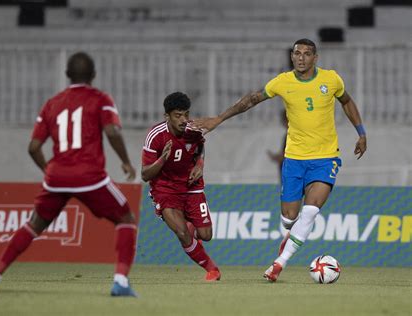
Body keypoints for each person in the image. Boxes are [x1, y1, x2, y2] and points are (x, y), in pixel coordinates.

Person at [191, 39, 367, 282]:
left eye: (307, 53)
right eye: (297, 53)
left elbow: (346, 101)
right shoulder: (282, 82)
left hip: (326, 158)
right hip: (294, 159)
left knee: (311, 211)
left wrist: (361, 132)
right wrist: (218, 119)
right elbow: (251, 100)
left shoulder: (331, 79)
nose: (302, 57)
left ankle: (278, 265)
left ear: (315, 57)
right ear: (292, 57)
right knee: (289, 219)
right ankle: (290, 233)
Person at [0, 52, 139, 297]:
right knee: (126, 218)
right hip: (89, 177)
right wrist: (126, 161)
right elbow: (112, 132)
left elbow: (33, 147)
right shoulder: (100, 98)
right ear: (94, 75)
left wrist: (49, 171)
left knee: (33, 225)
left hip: (56, 178)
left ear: (66, 75)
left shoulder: (52, 103)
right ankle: (120, 282)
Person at [141, 92, 221, 281]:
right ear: (166, 117)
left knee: (206, 234)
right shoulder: (156, 136)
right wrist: (162, 160)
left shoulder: (193, 130)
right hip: (165, 189)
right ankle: (212, 269)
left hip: (191, 186)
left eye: (186, 114)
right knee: (181, 232)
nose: (184, 120)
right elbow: (145, 174)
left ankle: (192, 231)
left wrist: (200, 164)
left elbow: (201, 146)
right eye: (178, 115)